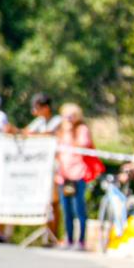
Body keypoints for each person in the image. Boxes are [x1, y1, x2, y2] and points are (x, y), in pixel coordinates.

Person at [23, 93, 64, 241]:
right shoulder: (39, 122)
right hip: (42, 166)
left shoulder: (57, 121)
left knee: (54, 201)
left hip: (55, 166)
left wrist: (38, 135)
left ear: (46, 108)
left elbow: (54, 134)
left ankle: (55, 234)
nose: (35, 111)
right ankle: (47, 234)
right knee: (46, 201)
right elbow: (27, 132)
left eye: (37, 108)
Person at [55, 102, 92, 249]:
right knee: (67, 209)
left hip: (78, 175)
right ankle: (69, 238)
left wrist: (71, 132)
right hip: (65, 177)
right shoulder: (61, 130)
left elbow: (84, 145)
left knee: (79, 208)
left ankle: (81, 240)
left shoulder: (81, 129)